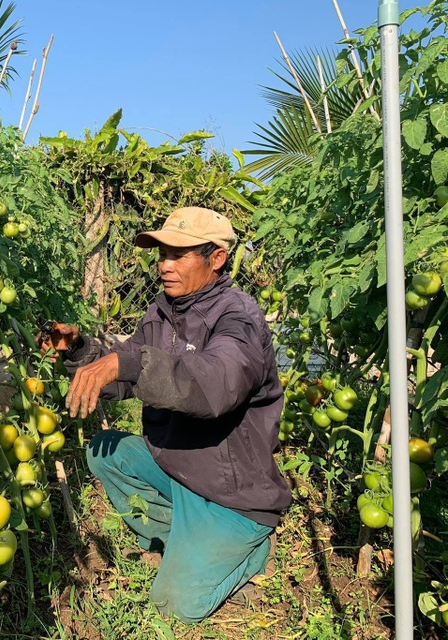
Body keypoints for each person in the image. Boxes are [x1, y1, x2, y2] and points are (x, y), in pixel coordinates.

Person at [41, 206, 291, 623]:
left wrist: (131, 364)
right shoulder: (162, 312)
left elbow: (216, 385)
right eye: (161, 254)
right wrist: (81, 350)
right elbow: (123, 374)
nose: (164, 265)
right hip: (177, 467)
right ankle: (182, 538)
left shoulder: (238, 318)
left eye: (179, 254)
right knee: (105, 450)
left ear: (217, 258)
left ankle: (250, 551)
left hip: (230, 494)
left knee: (175, 605)